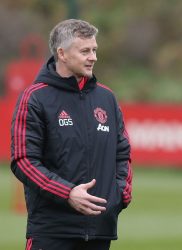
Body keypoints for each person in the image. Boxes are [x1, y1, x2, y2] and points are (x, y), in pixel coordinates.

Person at [11, 19, 133, 250]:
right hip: (52, 230)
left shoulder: (107, 98)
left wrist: (120, 194)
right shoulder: (35, 97)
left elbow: (123, 153)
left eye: (94, 50)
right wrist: (67, 193)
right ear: (62, 54)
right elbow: (23, 160)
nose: (93, 57)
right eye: (85, 51)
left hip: (100, 230)